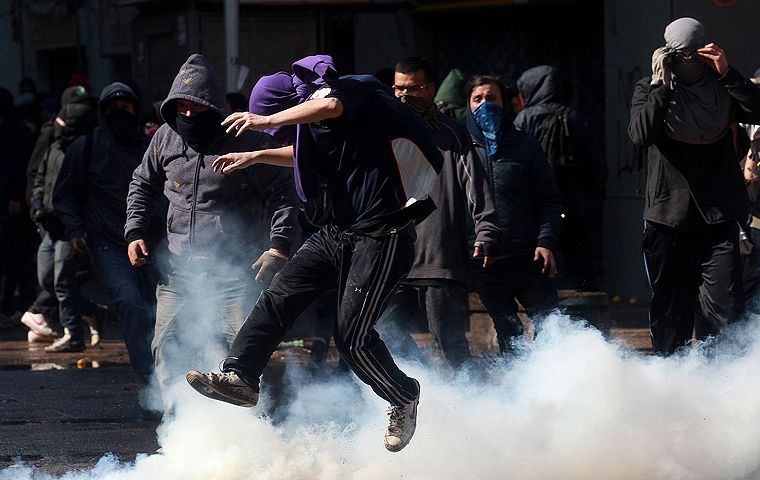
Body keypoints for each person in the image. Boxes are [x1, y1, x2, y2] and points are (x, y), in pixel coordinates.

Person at [185, 55, 443, 452]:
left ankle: (402, 395)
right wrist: (256, 156)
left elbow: (331, 104)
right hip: (339, 231)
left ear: (288, 105)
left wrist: (266, 120)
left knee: (351, 336)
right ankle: (241, 377)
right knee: (279, 295)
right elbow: (303, 156)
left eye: (278, 118)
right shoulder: (320, 130)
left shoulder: (353, 88)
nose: (281, 131)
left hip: (383, 234)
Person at [125, 54, 299, 398]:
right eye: (182, 109)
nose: (188, 117)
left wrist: (279, 247)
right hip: (177, 273)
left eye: (197, 109)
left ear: (213, 107)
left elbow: (285, 194)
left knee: (242, 358)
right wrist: (135, 232)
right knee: (167, 351)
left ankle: (262, 432)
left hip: (236, 274)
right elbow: (141, 184)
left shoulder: (245, 140)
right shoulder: (164, 138)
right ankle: (179, 435)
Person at [629, 18, 760, 354]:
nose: (686, 59)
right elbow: (640, 134)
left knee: (725, 313)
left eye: (693, 52)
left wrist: (728, 73)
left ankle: (718, 387)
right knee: (671, 313)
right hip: (667, 220)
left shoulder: (722, 90)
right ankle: (670, 387)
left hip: (716, 219)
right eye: (678, 53)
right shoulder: (649, 87)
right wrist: (662, 85)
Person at [376, 56, 500, 370]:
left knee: (451, 346)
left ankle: (466, 409)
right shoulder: (381, 132)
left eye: (413, 88)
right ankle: (422, 388)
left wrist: (486, 230)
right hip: (391, 256)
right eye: (397, 89)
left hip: (439, 258)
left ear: (430, 89)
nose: (404, 96)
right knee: (382, 334)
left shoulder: (450, 134)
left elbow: (476, 184)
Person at [54, 82, 157, 376]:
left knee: (159, 310)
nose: (119, 113)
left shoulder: (150, 146)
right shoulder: (85, 147)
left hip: (152, 241)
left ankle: (167, 373)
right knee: (130, 302)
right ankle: (148, 377)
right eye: (112, 108)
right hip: (108, 243)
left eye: (125, 107)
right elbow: (64, 194)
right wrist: (75, 230)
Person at [465, 75, 562, 355]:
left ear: (504, 103)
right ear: (468, 104)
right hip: (483, 258)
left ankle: (554, 380)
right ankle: (516, 389)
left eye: (492, 98)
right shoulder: (460, 149)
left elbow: (549, 200)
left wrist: (545, 241)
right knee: (508, 329)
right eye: (477, 99)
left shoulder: (525, 146)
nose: (485, 104)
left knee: (550, 321)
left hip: (527, 255)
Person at [515, 65, 604, 290]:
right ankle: (586, 309)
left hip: (537, 207)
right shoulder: (576, 117)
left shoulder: (524, 119)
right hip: (573, 203)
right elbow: (595, 165)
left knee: (538, 258)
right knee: (579, 261)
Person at [27, 100, 105, 351]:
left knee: (63, 282)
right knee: (47, 279)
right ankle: (93, 312)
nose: (56, 126)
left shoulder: (84, 152)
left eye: (62, 122)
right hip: (49, 226)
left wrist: (76, 226)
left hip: (68, 228)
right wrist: (37, 202)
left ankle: (72, 333)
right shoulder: (54, 148)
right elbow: (40, 177)